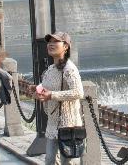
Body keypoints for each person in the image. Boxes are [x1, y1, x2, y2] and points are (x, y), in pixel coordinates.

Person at [33, 32, 84, 165]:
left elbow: (78, 92)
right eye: (49, 42)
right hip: (52, 124)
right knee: (49, 160)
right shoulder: (50, 69)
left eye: (55, 42)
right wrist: (36, 91)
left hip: (68, 124)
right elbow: (45, 88)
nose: (50, 44)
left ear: (65, 46)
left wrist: (52, 95)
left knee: (67, 161)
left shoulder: (69, 69)